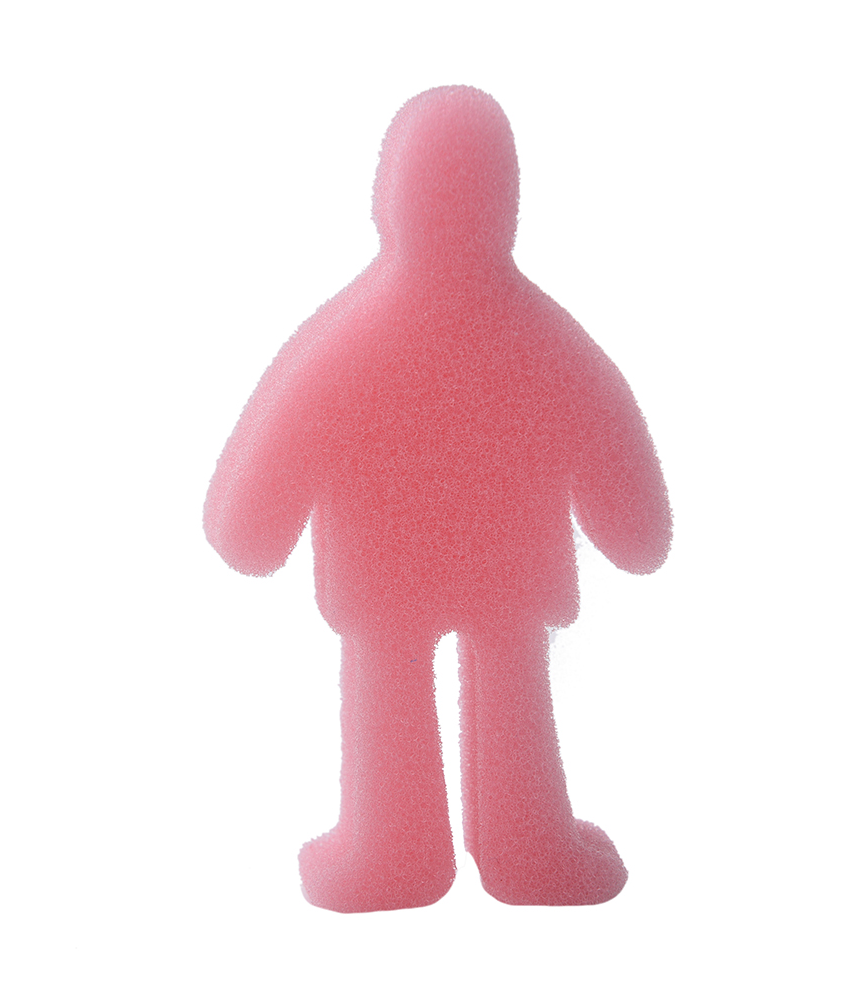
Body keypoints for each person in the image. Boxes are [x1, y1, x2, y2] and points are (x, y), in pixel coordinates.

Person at [205, 86, 671, 911]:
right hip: (505, 572)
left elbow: (274, 463)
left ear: (390, 197)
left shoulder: (355, 339)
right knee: (508, 689)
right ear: (509, 200)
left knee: (395, 685)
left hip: (388, 576)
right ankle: (524, 849)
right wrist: (631, 529)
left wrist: (254, 529)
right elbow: (606, 436)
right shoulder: (539, 336)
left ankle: (395, 853)